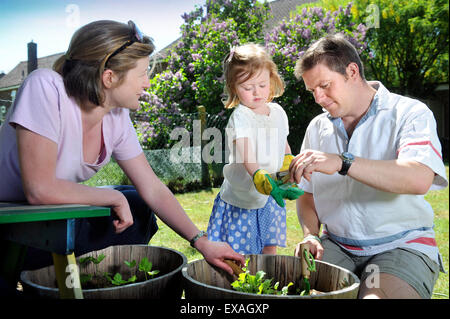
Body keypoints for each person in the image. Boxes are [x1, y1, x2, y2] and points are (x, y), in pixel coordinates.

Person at [0, 20, 244, 277]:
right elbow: (40, 189)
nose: (148, 84)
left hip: (42, 218)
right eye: (143, 73)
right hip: (8, 222)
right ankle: (37, 277)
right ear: (109, 77)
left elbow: (152, 188)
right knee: (122, 198)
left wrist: (201, 241)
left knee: (137, 203)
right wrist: (113, 198)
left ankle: (87, 280)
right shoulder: (46, 86)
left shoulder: (116, 117)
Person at [289, 34, 448, 299]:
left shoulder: (410, 113)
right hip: (337, 245)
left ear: (352, 71)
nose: (318, 98)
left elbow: (418, 177)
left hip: (401, 245)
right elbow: (307, 192)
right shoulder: (317, 128)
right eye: (312, 91)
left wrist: (342, 162)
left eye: (325, 85)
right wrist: (311, 235)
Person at [207, 44, 303, 255]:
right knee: (239, 250)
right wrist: (258, 174)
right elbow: (245, 150)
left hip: (270, 192)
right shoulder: (242, 115)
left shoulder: (278, 112)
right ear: (234, 88)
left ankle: (267, 280)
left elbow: (282, 141)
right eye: (247, 88)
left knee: (269, 244)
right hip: (242, 196)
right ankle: (240, 285)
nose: (256, 92)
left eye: (261, 84)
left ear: (272, 79)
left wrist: (288, 160)